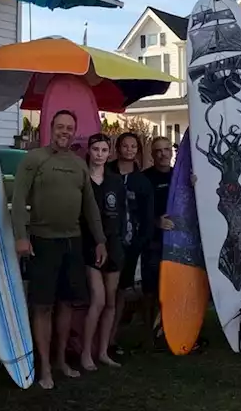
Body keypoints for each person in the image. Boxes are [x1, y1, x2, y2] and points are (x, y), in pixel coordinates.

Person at [11, 110, 108, 390]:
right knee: (43, 306)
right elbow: (18, 201)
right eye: (60, 127)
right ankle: (43, 368)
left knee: (66, 303)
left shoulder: (78, 164)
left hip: (72, 242)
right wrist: (21, 236)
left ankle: (60, 361)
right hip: (42, 241)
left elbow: (90, 205)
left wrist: (100, 239)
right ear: (50, 128)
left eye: (70, 127)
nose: (65, 131)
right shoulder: (34, 159)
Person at [80, 134, 125, 371]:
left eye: (104, 150)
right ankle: (85, 353)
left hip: (114, 244)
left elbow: (122, 212)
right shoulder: (82, 179)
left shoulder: (115, 181)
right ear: (89, 151)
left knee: (110, 301)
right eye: (95, 149)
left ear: (109, 153)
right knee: (97, 300)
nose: (99, 154)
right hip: (89, 245)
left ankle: (103, 351)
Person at [108, 132, 154, 354]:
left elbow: (147, 215)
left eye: (133, 146)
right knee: (101, 294)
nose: (128, 150)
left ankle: (111, 340)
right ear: (118, 148)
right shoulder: (105, 173)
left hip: (130, 244)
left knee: (118, 294)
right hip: (105, 243)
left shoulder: (142, 181)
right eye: (124, 146)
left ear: (137, 150)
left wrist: (140, 242)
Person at [141, 136, 176, 345]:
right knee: (150, 289)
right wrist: (155, 222)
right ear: (152, 155)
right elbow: (136, 212)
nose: (162, 154)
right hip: (153, 242)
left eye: (166, 149)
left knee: (173, 286)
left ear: (171, 152)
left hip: (177, 243)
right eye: (158, 151)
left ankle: (171, 328)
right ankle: (148, 332)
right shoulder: (145, 178)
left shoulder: (179, 177)